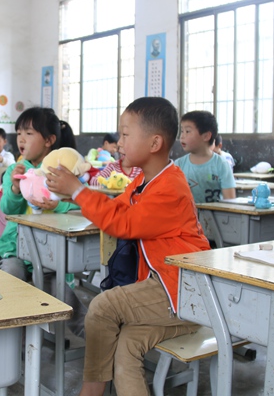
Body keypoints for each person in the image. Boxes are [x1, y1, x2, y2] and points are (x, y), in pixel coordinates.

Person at [45, 97, 209, 396]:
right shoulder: (145, 181)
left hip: (185, 290)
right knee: (127, 346)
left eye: (125, 134)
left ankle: (91, 391)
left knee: (103, 305)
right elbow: (115, 208)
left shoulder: (170, 187)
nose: (119, 143)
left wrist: (79, 191)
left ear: (154, 143)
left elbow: (123, 223)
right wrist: (69, 195)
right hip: (166, 287)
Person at [0, 107, 86, 337]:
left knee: (64, 297)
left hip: (49, 252)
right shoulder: (14, 170)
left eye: (29, 133)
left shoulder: (62, 173)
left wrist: (57, 206)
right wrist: (15, 188)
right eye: (19, 133)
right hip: (15, 248)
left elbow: (82, 204)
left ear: (49, 140)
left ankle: (96, 339)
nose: (21, 139)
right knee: (12, 278)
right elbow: (7, 209)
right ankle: (13, 339)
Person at [175, 111, 236, 203]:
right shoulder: (178, 165)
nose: (182, 136)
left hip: (214, 213)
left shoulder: (221, 164)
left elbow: (230, 201)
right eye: (182, 131)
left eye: (187, 131)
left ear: (206, 136)